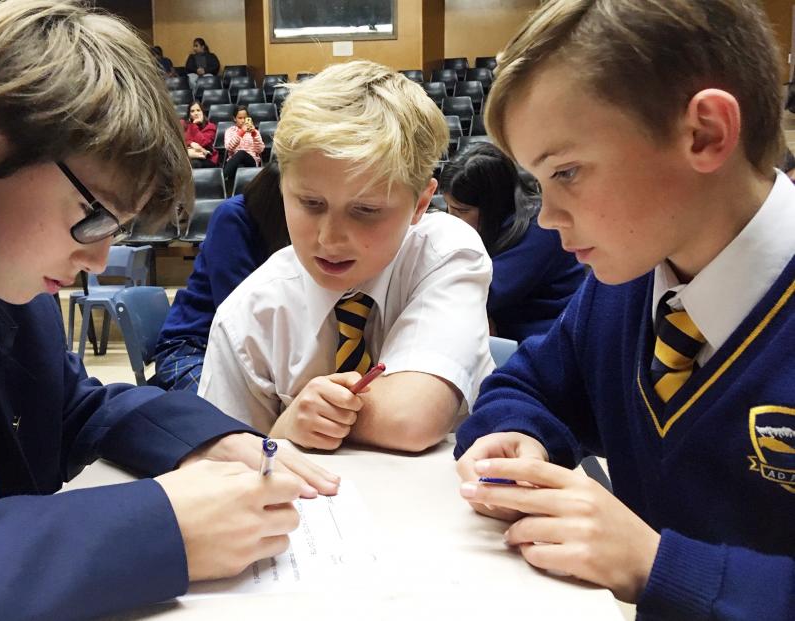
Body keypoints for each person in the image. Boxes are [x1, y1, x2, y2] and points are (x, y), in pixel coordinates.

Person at [0, 2, 340, 618]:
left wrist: (206, 442)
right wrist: (147, 533)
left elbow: (74, 408)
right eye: (96, 216)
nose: (100, 259)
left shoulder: (3, 273)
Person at [454, 0, 795, 617]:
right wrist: (516, 437)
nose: (550, 218)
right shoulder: (627, 278)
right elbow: (528, 385)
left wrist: (657, 564)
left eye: (569, 171)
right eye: (538, 183)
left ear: (706, 134)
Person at [198, 60, 495, 453]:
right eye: (310, 203)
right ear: (282, 186)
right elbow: (225, 469)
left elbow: (411, 418)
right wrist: (284, 428)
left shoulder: (446, 251)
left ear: (421, 203)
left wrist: (287, 429)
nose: (330, 239)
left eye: (366, 210)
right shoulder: (248, 317)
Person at [151, 162, 289, 392]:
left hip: (245, 351)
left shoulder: (283, 226)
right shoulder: (233, 216)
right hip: (192, 348)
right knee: (236, 414)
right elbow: (239, 306)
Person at [441, 142, 585, 341]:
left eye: (462, 211)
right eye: (449, 207)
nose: (451, 217)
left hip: (546, 341)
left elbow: (475, 295)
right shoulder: (488, 224)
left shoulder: (541, 230)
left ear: (492, 206)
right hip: (506, 335)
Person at [223, 104, 264, 190]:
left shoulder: (255, 131)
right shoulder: (230, 131)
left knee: (242, 153)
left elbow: (260, 150)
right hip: (234, 163)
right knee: (239, 159)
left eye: (245, 118)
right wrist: (241, 132)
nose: (242, 121)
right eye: (240, 118)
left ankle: (221, 177)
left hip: (251, 162)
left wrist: (254, 134)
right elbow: (229, 147)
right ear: (234, 118)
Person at [183, 101, 218, 168]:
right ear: (189, 114)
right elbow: (182, 140)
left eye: (198, 110)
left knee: (194, 164)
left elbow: (203, 143)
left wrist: (194, 125)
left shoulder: (210, 126)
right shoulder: (185, 125)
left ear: (202, 112)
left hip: (207, 158)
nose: (196, 113)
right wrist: (191, 143)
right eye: (192, 111)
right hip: (189, 155)